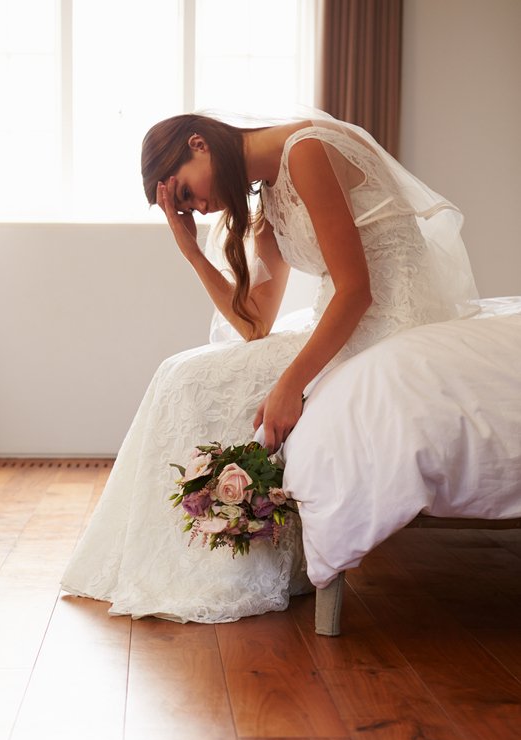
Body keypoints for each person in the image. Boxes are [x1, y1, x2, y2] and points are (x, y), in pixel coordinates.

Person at [61, 109, 478, 623]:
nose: (197, 207)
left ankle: (227, 567)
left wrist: (289, 385)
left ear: (199, 144)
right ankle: (192, 562)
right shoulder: (267, 190)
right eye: (184, 204)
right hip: (346, 318)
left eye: (186, 193)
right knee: (179, 371)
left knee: (191, 379)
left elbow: (357, 291)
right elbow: (254, 324)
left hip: (387, 318)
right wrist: (191, 251)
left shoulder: (305, 151)